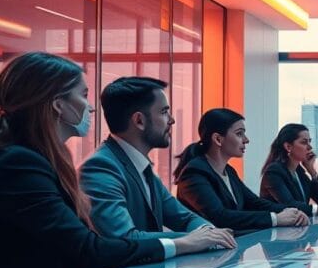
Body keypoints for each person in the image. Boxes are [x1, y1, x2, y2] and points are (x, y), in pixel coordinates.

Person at [0, 53, 235, 268]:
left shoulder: (33, 160)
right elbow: (88, 250)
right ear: (58, 104)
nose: (90, 107)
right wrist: (181, 243)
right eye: (83, 95)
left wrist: (198, 236)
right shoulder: (17, 164)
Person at [80, 76, 232, 247]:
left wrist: (209, 232)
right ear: (139, 121)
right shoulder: (100, 167)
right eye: (164, 112)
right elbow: (123, 238)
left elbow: (183, 217)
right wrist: (191, 241)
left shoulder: (142, 167)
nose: (172, 120)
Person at [174, 108, 308, 231]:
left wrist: (292, 211)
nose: (246, 140)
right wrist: (275, 219)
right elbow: (220, 217)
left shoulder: (229, 171)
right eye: (239, 134)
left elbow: (255, 203)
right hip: (204, 256)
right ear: (218, 139)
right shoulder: (194, 174)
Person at [259, 123, 318, 216]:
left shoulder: (299, 172)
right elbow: (291, 206)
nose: (310, 147)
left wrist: (311, 170)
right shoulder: (274, 172)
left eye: (310, 141)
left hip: (296, 227)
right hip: (274, 229)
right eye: (304, 142)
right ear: (288, 147)